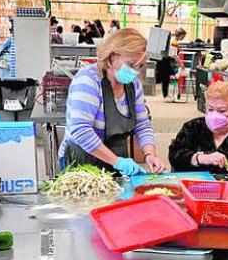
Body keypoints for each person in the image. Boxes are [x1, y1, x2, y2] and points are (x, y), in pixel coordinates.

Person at [61, 27, 169, 177]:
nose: (136, 71)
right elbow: (81, 130)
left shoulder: (133, 85)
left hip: (116, 155)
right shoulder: (88, 80)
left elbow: (142, 125)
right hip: (83, 158)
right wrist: (117, 162)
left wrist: (150, 155)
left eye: (141, 66)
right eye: (131, 65)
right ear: (112, 56)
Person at [169, 81, 228, 175]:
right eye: (210, 109)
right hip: (194, 184)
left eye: (221, 110)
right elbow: (174, 156)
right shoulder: (192, 127)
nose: (215, 115)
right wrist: (200, 158)